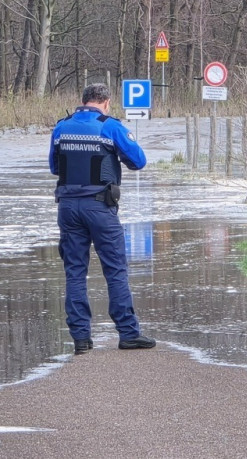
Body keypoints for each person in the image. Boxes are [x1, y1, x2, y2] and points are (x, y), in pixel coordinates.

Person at [49, 83, 156, 355]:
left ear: (82, 100)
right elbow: (139, 161)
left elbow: (54, 167)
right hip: (100, 207)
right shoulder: (111, 127)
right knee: (115, 270)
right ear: (106, 102)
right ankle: (128, 333)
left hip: (68, 208)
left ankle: (81, 339)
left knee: (75, 272)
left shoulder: (62, 127)